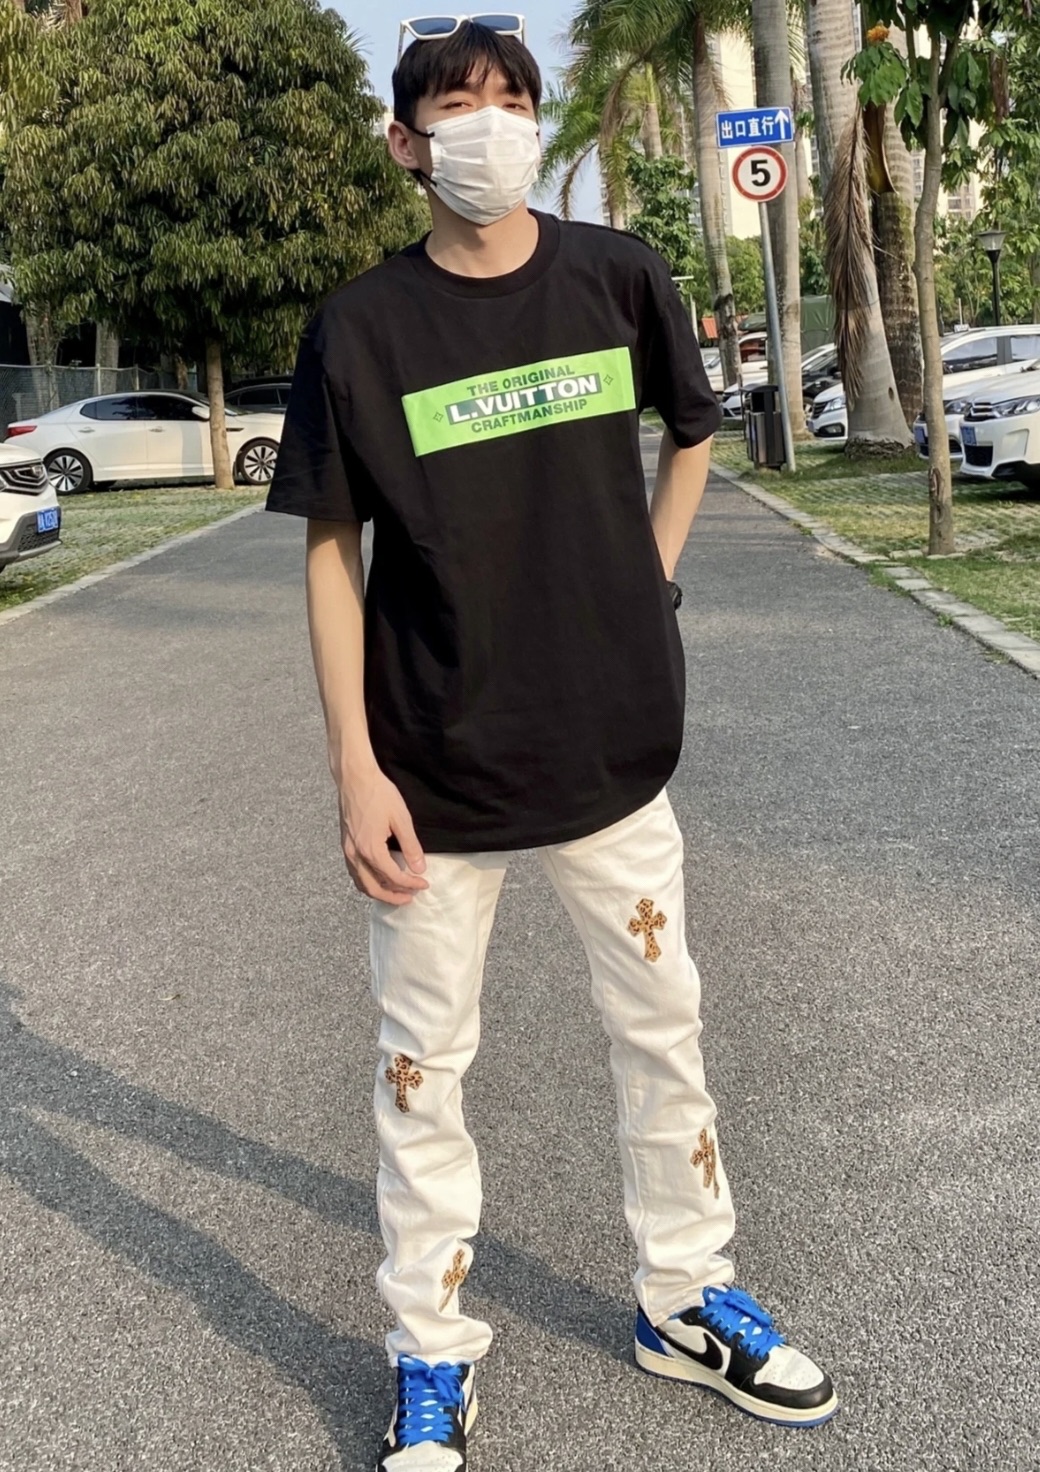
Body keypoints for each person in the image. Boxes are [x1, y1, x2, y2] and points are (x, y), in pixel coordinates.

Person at [266, 17, 837, 1469]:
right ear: (406, 143)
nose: (490, 126)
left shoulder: (617, 277)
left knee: (663, 1034)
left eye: (511, 100)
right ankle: (430, 1350)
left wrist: (648, 581)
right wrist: (353, 770)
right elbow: (331, 550)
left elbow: (694, 430)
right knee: (421, 1071)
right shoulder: (361, 327)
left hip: (610, 749)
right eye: (456, 106)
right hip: (431, 771)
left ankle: (685, 1297)